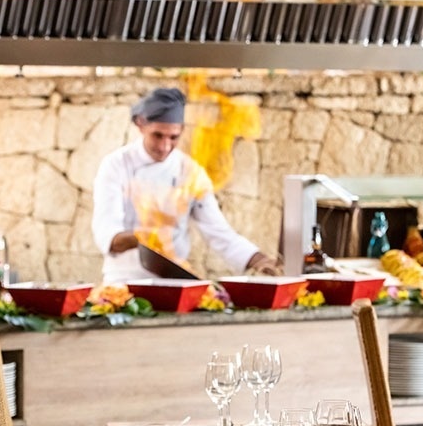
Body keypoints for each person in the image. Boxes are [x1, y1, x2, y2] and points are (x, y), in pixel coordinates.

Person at [91, 87, 282, 283]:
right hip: (123, 280)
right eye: (157, 135)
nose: (165, 146)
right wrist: (143, 237)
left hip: (175, 282)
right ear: (141, 125)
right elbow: (107, 232)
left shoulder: (191, 173)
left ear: (181, 130)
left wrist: (261, 261)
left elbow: (220, 233)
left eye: (173, 137)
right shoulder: (116, 165)